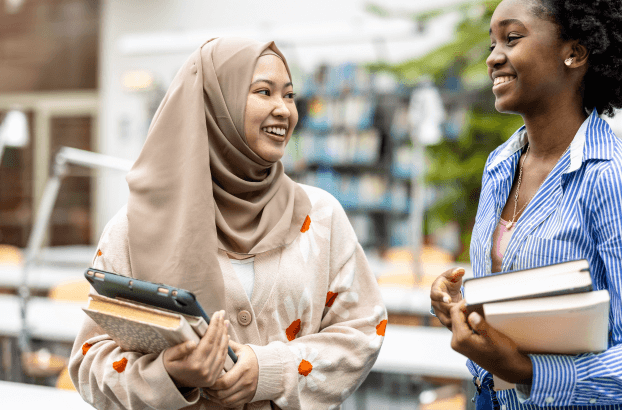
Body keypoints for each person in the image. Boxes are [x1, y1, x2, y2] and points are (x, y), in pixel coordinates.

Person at [430, 0, 622, 410]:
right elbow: (517, 319)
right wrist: (464, 312)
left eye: (512, 38)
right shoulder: (499, 166)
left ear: (575, 53)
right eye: (493, 43)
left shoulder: (615, 181)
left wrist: (527, 371)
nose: (494, 57)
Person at [69, 37, 386, 409]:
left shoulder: (321, 216)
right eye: (264, 92)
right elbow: (90, 360)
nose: (283, 110)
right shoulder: (136, 227)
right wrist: (168, 375)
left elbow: (363, 331)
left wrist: (268, 371)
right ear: (215, 105)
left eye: (289, 95)